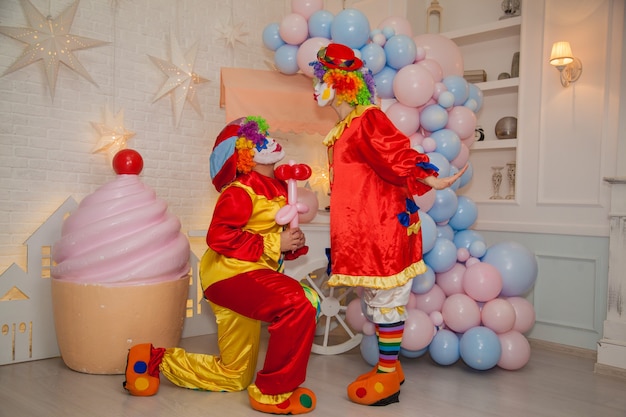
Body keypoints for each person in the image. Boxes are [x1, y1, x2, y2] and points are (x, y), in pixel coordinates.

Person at [123, 116, 319, 415]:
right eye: (257, 139)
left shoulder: (277, 188)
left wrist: (288, 244)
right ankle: (273, 391)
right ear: (244, 154)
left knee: (233, 376)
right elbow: (219, 237)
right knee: (298, 302)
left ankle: (151, 359)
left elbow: (266, 238)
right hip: (231, 277)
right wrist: (273, 244)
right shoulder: (240, 190)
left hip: (254, 278)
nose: (267, 138)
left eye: (265, 134)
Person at [310, 43, 468, 407]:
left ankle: (387, 375)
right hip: (366, 229)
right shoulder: (348, 124)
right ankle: (388, 369)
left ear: (344, 83)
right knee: (377, 303)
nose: (317, 88)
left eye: (323, 79)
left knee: (388, 301)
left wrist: (428, 177)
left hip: (383, 228)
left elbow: (395, 152)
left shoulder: (368, 119)